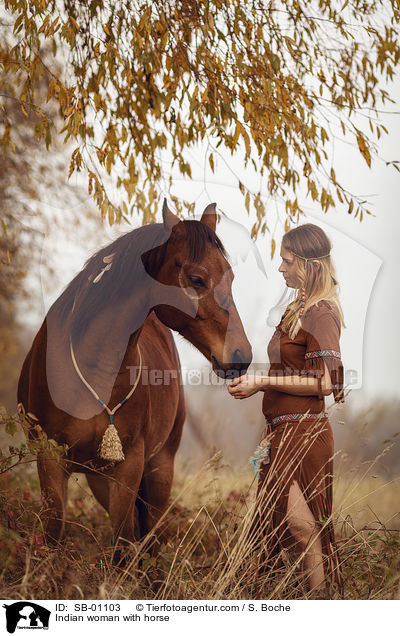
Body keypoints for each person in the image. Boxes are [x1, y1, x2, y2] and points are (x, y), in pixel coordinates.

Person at [228, 223, 344, 598]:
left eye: (287, 261)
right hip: (281, 431)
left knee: (303, 528)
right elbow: (287, 373)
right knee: (276, 525)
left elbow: (326, 382)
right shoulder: (298, 308)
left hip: (305, 433)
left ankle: (323, 608)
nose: (280, 268)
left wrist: (262, 382)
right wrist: (258, 384)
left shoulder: (322, 313)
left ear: (309, 265)